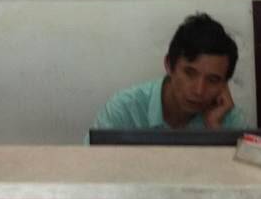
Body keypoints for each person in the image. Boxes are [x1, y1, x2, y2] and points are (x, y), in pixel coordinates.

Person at [92, 13, 245, 130]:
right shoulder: (126, 109)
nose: (199, 90)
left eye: (212, 80)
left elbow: (247, 163)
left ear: (224, 84)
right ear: (169, 65)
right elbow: (92, 161)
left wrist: (215, 130)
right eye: (189, 73)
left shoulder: (226, 117)